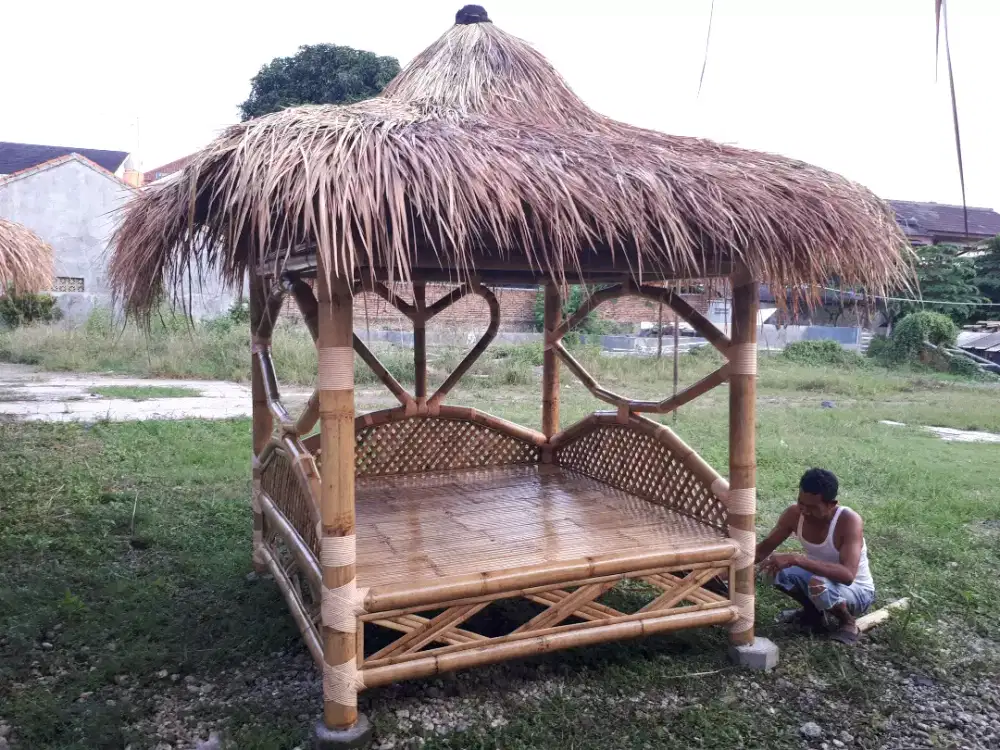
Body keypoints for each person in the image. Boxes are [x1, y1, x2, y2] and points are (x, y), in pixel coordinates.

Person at [756, 468, 875, 644]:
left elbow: (848, 576)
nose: (804, 510)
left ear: (831, 504)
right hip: (820, 580)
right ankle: (813, 613)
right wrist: (727, 568)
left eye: (812, 507)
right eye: (800, 502)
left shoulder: (848, 521)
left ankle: (848, 622)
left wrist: (796, 559)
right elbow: (763, 550)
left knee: (819, 583)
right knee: (772, 568)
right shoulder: (794, 514)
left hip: (857, 591)